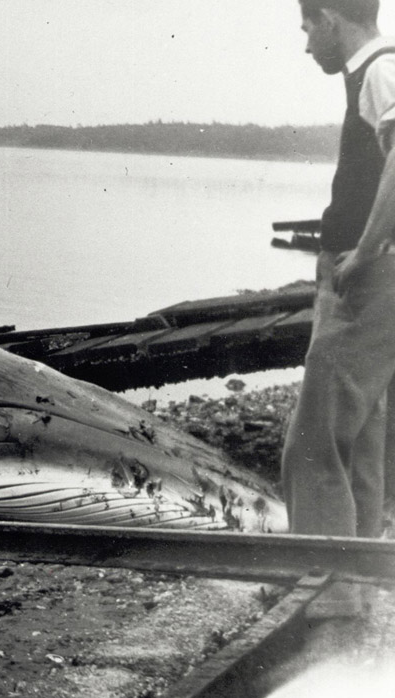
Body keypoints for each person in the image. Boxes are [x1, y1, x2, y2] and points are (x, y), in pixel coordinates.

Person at [283, 0, 395, 624]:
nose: (305, 45)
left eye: (306, 27)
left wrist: (368, 248)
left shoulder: (381, 67)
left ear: (330, 17)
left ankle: (326, 591)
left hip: (373, 279)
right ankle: (356, 587)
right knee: (363, 438)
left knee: (314, 439)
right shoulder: (376, 71)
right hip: (380, 278)